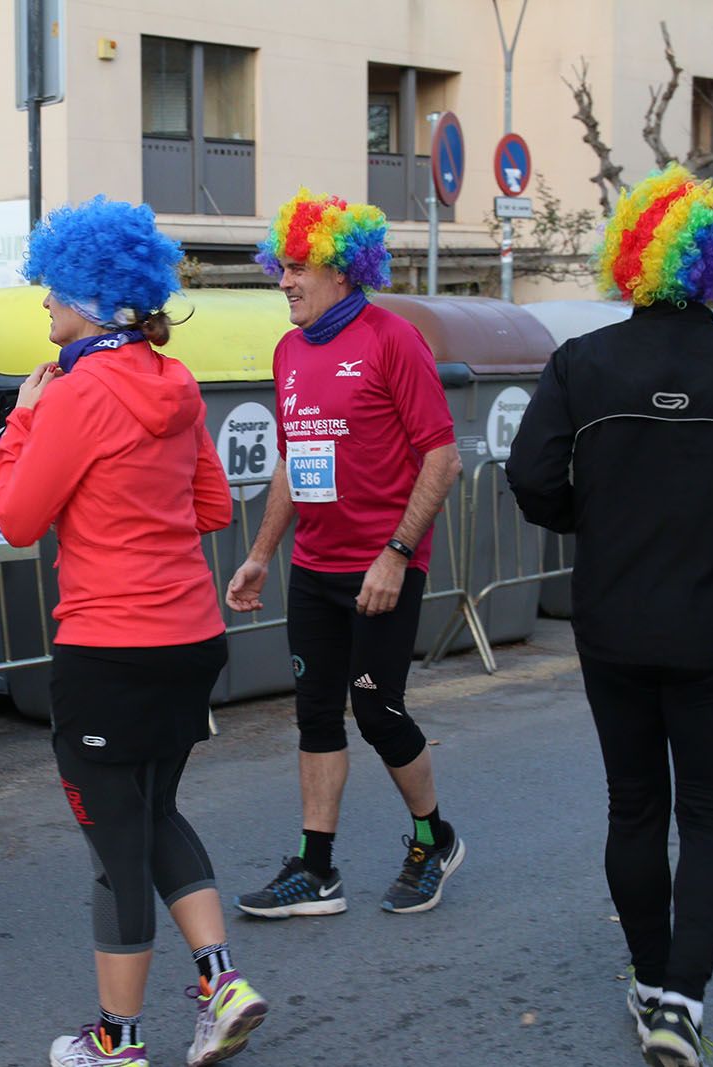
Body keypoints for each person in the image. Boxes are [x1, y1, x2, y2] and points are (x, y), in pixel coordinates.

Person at [506, 164, 713, 1067]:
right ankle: (682, 999)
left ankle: (650, 976)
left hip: (612, 619)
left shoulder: (582, 362)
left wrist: (595, 523)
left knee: (634, 805)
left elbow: (532, 478)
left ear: (631, 256)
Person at [0, 196, 268, 1067]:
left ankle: (116, 1039)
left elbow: (19, 515)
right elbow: (214, 505)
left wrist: (25, 420)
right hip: (190, 637)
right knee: (153, 812)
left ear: (87, 299)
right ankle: (221, 979)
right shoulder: (174, 381)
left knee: (115, 844)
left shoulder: (74, 395)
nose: (44, 309)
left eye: (53, 295)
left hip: (110, 644)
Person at [225, 189, 465, 919]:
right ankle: (317, 868)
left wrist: (397, 552)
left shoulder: (394, 338)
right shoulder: (290, 349)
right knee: (317, 715)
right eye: (282, 266)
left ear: (342, 268)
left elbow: (442, 456)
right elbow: (297, 460)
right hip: (315, 569)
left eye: (298, 267)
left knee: (378, 711)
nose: (285, 282)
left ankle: (433, 838)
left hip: (381, 570)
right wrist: (262, 553)